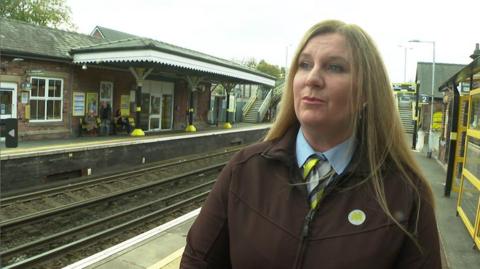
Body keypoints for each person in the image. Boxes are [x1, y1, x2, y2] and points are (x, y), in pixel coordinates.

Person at [180, 20, 441, 269]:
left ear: (365, 92)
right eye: (304, 65)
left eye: (335, 67)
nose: (312, 78)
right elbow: (197, 261)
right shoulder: (245, 171)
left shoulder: (404, 192)